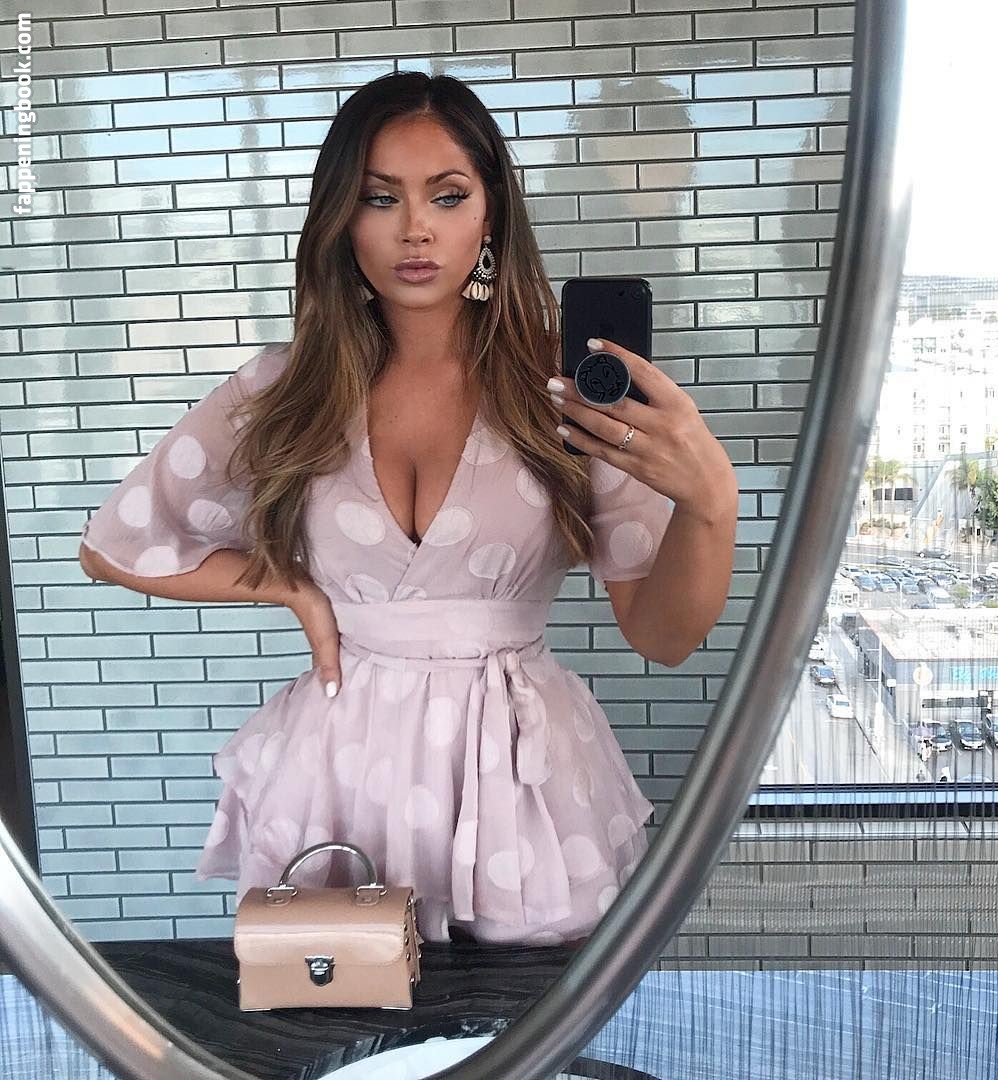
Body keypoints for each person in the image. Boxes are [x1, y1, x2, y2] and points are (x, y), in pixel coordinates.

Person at [77, 72, 737, 947]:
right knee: (345, 1002)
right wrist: (292, 590)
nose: (415, 228)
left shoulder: (561, 390)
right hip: (341, 775)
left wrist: (710, 502)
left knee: (524, 1014)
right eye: (380, 197)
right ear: (342, 219)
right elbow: (113, 545)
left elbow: (663, 636)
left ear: (490, 215)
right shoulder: (283, 389)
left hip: (517, 781)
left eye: (447, 196)